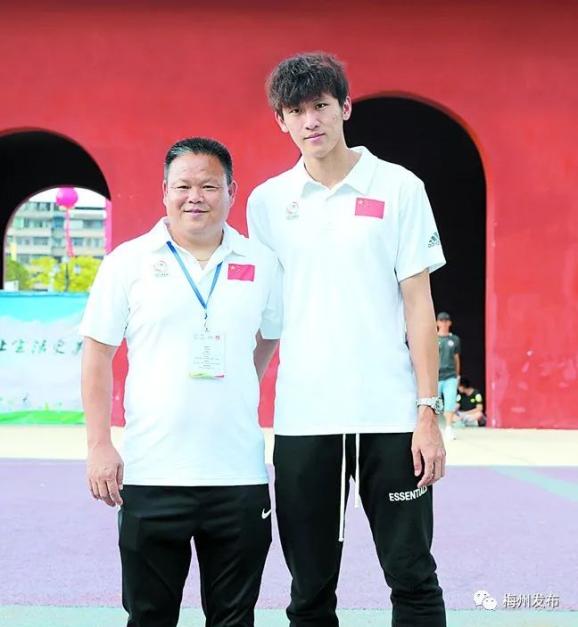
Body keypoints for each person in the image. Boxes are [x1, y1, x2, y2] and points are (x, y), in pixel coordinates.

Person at [248, 52, 447, 627]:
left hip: (390, 418)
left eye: (320, 105)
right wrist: (236, 398)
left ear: (345, 108)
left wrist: (427, 412)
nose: (310, 121)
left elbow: (419, 303)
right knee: (309, 590)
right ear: (280, 121)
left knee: (412, 577)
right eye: (295, 111)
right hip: (304, 420)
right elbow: (268, 317)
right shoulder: (267, 203)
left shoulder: (400, 187)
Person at [80, 137, 281, 627]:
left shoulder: (261, 263)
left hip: (238, 477)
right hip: (152, 475)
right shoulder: (128, 262)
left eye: (209, 186)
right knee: (150, 616)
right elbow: (97, 354)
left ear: (231, 191)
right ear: (164, 191)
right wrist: (99, 444)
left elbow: (269, 336)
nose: (195, 197)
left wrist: (239, 382)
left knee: (234, 618)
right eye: (183, 186)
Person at [436, 311, 461, 440]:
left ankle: (449, 427)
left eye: (446, 321)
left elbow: (456, 359)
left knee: (450, 402)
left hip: (450, 375)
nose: (444, 323)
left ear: (450, 323)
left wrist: (457, 375)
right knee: (434, 403)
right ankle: (435, 428)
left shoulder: (454, 339)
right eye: (441, 320)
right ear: (437, 322)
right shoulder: (433, 338)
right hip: (436, 376)